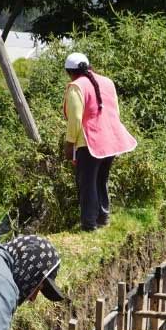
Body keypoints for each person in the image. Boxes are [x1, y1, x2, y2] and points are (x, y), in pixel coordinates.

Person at [62, 53, 137, 231]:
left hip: (89, 142)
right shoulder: (107, 82)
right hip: (110, 141)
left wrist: (69, 144)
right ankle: (103, 218)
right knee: (101, 180)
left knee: (87, 183)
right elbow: (115, 112)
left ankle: (89, 225)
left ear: (69, 72)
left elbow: (75, 119)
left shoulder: (76, 87)